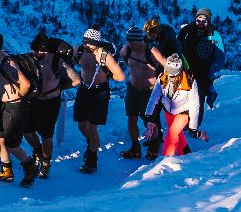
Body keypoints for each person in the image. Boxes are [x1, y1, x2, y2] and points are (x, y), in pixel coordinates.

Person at [0, 31, 39, 187]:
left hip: (15, 107)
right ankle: (6, 170)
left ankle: (30, 166)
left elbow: (25, 84)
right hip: (4, 105)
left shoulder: (6, 63)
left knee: (11, 144)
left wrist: (18, 98)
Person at [22, 34, 80, 180]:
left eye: (37, 51)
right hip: (35, 100)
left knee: (47, 135)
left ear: (45, 51)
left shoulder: (56, 61)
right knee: (27, 130)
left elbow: (76, 80)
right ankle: (38, 151)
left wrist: (59, 88)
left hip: (51, 102)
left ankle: (46, 163)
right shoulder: (32, 59)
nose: (34, 54)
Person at [72, 29, 124, 174]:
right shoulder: (81, 51)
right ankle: (91, 145)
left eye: (91, 43)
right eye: (86, 42)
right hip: (84, 90)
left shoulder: (104, 56)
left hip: (100, 91)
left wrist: (106, 73)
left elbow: (120, 77)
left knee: (92, 127)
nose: (88, 45)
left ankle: (92, 160)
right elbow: (75, 60)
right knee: (81, 125)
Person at [177, 8, 224, 128]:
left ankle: (194, 127)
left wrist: (210, 71)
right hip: (185, 72)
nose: (201, 23)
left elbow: (220, 57)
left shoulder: (214, 35)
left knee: (198, 101)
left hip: (203, 75)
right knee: (182, 100)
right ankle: (182, 125)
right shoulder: (186, 31)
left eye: (204, 20)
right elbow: (177, 48)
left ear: (209, 21)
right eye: (199, 20)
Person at [119, 26, 161, 159]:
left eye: (133, 42)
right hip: (133, 89)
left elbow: (166, 65)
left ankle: (154, 145)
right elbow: (128, 63)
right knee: (131, 119)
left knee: (148, 121)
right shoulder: (126, 50)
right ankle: (135, 147)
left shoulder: (151, 51)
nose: (131, 45)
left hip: (149, 92)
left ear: (140, 41)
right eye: (129, 42)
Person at [147, 56, 201, 157]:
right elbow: (154, 97)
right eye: (168, 72)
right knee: (178, 134)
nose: (170, 76)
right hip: (168, 112)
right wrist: (149, 114)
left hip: (184, 112)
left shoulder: (190, 81)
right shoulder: (162, 77)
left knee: (171, 135)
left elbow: (195, 105)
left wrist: (193, 127)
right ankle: (186, 156)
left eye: (173, 74)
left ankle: (165, 161)